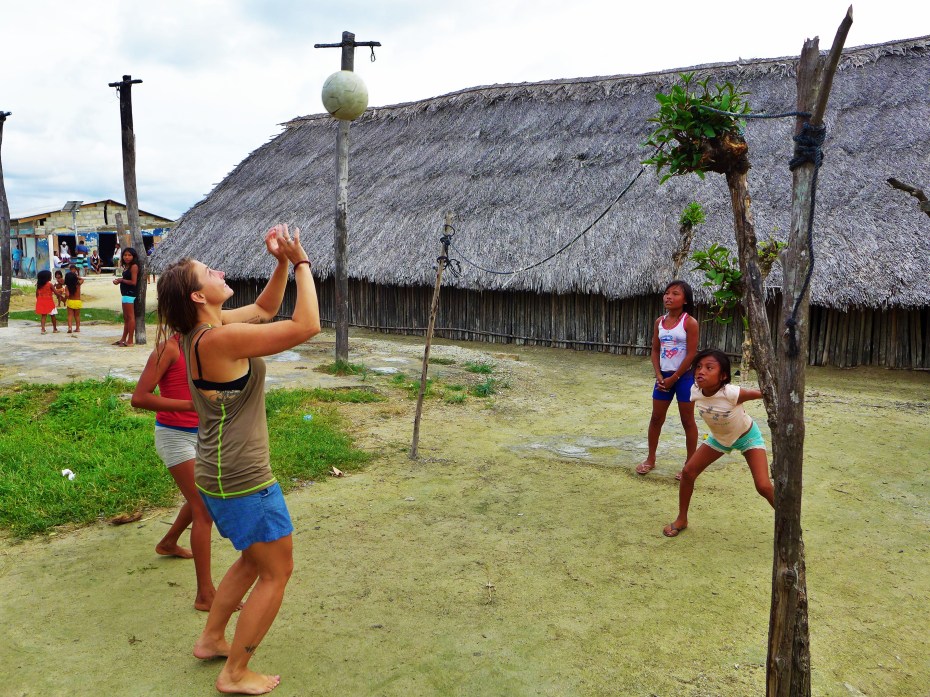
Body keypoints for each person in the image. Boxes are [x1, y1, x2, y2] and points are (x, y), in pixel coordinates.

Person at [156, 223, 318, 695]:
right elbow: (306, 325)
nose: (220, 270)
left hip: (218, 473)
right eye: (209, 271)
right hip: (244, 479)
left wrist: (282, 263)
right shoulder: (218, 341)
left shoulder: (204, 333)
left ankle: (211, 640)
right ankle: (235, 673)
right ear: (197, 297)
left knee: (251, 561)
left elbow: (267, 308)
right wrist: (304, 260)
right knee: (276, 570)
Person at [132, 334, 217, 611]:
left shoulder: (208, 343)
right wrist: (191, 405)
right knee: (204, 507)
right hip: (175, 436)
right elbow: (139, 398)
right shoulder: (168, 348)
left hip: (205, 433)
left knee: (201, 497)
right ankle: (205, 595)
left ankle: (168, 542)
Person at [662, 349, 774, 538]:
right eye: (698, 367)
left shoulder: (732, 393)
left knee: (763, 486)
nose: (701, 371)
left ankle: (788, 522)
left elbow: (764, 394)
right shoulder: (695, 390)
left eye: (709, 367)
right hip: (719, 439)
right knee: (688, 472)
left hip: (747, 437)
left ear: (722, 376)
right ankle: (682, 518)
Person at [636, 280, 699, 479]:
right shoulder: (659, 322)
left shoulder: (689, 322)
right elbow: (655, 350)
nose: (668, 297)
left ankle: (690, 465)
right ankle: (651, 459)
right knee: (656, 418)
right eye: (666, 293)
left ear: (685, 300)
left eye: (675, 293)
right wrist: (659, 375)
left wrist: (675, 377)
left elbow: (691, 354)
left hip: (684, 378)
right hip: (663, 377)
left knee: (687, 421)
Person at [112, 247, 139, 347]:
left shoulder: (134, 266)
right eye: (125, 255)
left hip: (130, 293)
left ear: (133, 256)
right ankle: (123, 339)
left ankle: (130, 340)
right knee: (126, 317)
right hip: (125, 293)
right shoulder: (127, 266)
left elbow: (133, 282)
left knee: (130, 317)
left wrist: (121, 280)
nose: (127, 257)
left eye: (129, 255)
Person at [35, 270, 59, 334]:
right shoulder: (50, 284)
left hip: (42, 301)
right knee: (53, 315)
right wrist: (60, 296)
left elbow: (37, 293)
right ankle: (55, 328)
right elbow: (55, 292)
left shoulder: (39, 285)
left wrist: (38, 299)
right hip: (49, 302)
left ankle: (43, 329)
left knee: (43, 316)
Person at [64, 269, 83, 334]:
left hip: (70, 301)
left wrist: (64, 298)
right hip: (78, 301)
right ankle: (77, 328)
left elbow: (67, 294)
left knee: (70, 316)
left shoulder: (67, 287)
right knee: (77, 316)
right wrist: (76, 276)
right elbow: (82, 279)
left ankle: (70, 328)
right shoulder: (78, 285)